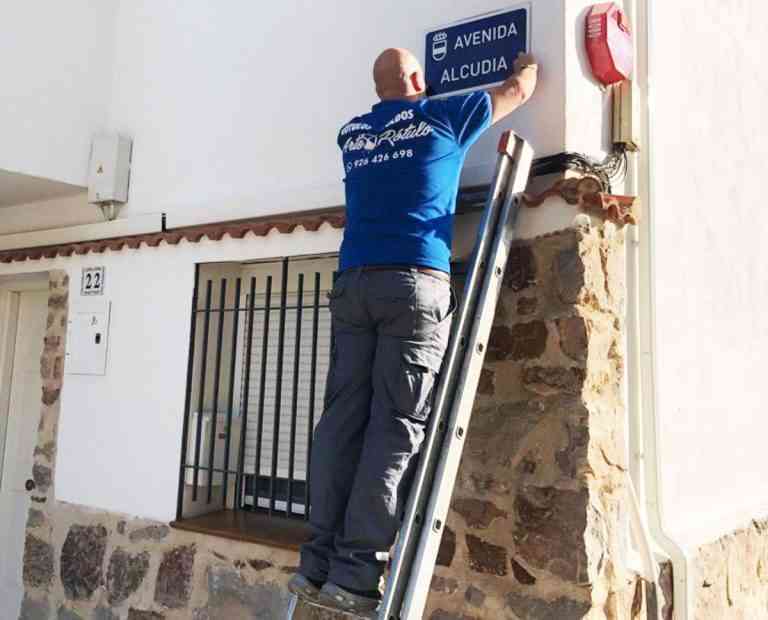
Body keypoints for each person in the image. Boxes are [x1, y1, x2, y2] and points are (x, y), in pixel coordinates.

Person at [289, 47, 538, 615]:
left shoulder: (352, 134)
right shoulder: (443, 116)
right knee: (394, 427)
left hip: (353, 284)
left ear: (379, 88)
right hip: (412, 284)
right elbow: (518, 92)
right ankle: (354, 574)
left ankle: (316, 564)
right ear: (420, 80)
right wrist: (526, 62)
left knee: (341, 422)